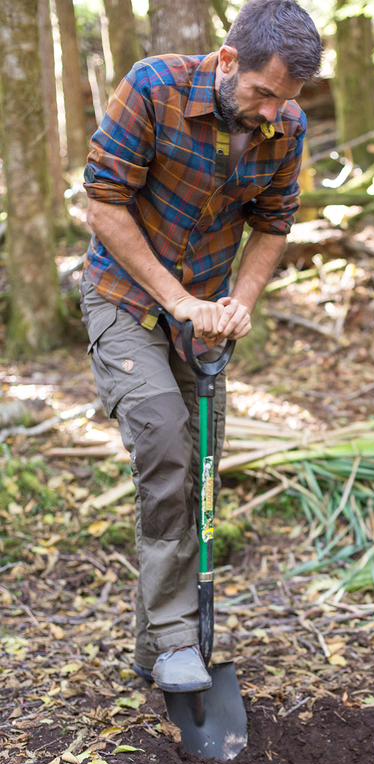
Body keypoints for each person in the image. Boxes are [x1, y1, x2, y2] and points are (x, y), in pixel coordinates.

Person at [79, 0, 322, 693]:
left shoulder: (285, 125)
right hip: (125, 298)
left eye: (285, 100)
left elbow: (273, 223)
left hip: (203, 319)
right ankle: (179, 638)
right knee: (163, 442)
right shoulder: (153, 87)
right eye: (263, 92)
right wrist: (177, 299)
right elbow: (102, 202)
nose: (272, 112)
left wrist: (239, 302)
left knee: (198, 471)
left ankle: (156, 649)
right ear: (227, 60)